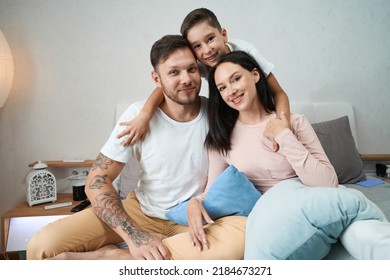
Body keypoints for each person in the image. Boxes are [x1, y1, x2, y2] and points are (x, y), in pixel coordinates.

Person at [26, 35, 246, 260]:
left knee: (240, 241)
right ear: (156, 79)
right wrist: (134, 236)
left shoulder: (218, 113)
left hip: (192, 218)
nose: (186, 79)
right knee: (41, 246)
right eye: (174, 72)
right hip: (141, 212)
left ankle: (115, 257)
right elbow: (97, 180)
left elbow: (247, 76)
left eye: (191, 69)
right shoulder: (137, 115)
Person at [195, 50, 390, 259]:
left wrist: (284, 136)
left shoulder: (295, 122)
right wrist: (195, 202)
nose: (230, 91)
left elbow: (328, 183)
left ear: (255, 75)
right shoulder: (220, 140)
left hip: (319, 204)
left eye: (235, 79)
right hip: (280, 219)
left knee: (366, 234)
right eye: (222, 88)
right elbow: (213, 191)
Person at [117, 8, 290, 152]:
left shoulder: (245, 52)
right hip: (235, 115)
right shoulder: (201, 64)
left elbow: (279, 93)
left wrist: (283, 125)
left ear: (223, 34)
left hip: (262, 112)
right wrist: (145, 115)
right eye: (197, 46)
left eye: (210, 39)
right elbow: (168, 87)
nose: (207, 50)